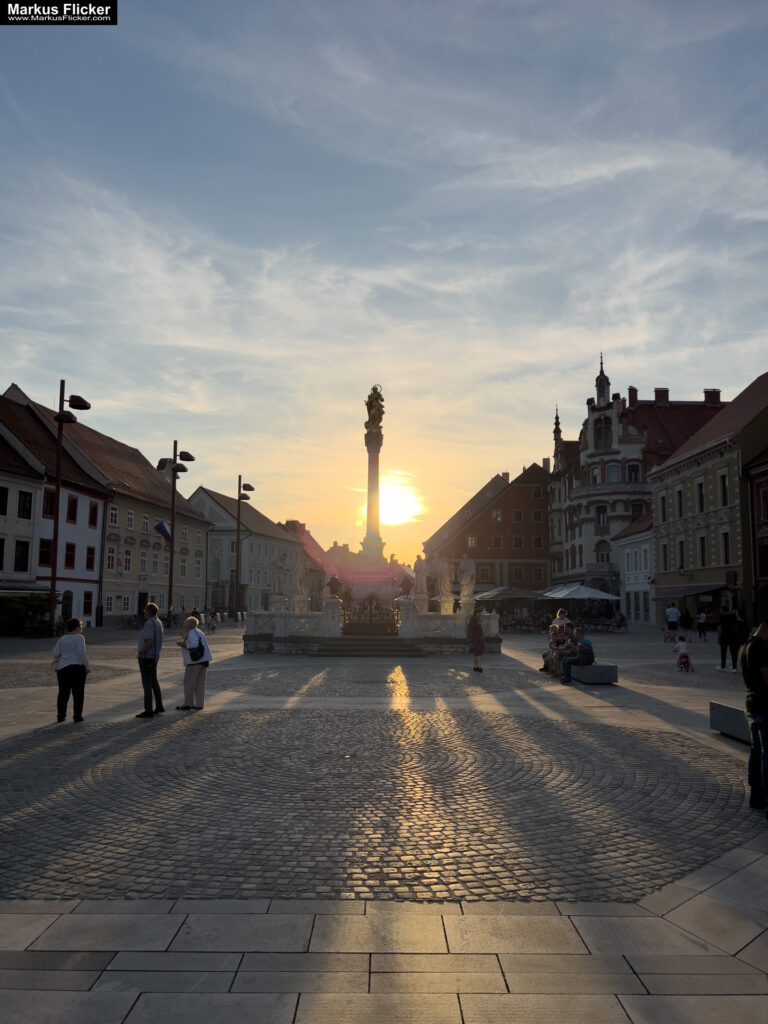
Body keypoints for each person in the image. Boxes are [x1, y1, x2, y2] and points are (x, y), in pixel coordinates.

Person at [740, 620, 768, 815]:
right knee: (767, 755)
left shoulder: (747, 646)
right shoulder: (762, 649)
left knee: (756, 752)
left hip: (752, 704)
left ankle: (756, 796)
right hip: (765, 706)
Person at [51, 618, 90, 723]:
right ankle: (77, 716)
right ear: (76, 628)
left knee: (63, 692)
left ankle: (61, 715)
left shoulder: (62, 638)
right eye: (81, 627)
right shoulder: (79, 638)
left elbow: (55, 653)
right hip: (77, 667)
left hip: (63, 668)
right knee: (78, 693)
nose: (81, 629)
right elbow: (82, 653)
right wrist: (87, 666)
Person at [176, 615, 213, 711]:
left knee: (189, 683)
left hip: (195, 662)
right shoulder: (199, 632)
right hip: (204, 661)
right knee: (200, 684)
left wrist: (183, 644)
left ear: (189, 625)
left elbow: (194, 644)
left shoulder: (192, 632)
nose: (184, 625)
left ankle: (188, 703)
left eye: (185, 623)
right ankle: (199, 704)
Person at [136, 602, 164, 718]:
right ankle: (159, 706)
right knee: (154, 682)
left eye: (145, 610)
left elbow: (149, 640)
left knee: (147, 684)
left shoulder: (149, 623)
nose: (144, 612)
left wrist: (141, 652)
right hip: (154, 657)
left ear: (148, 612)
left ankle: (148, 710)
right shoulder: (158, 622)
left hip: (147, 657)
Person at [717, 606, 739, 672]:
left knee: (723, 652)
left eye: (720, 610)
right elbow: (737, 626)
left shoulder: (722, 617)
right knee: (733, 653)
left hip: (724, 636)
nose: (720, 611)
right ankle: (734, 668)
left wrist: (719, 637)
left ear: (723, 610)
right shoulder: (733, 616)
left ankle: (723, 666)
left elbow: (719, 628)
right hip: (733, 636)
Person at [466, 605, 485, 673]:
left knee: (476, 653)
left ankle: (475, 666)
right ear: (476, 614)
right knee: (478, 653)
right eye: (479, 614)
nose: (480, 615)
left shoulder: (473, 619)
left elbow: (470, 630)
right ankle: (479, 666)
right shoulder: (475, 620)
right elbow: (473, 629)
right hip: (476, 638)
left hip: (476, 638)